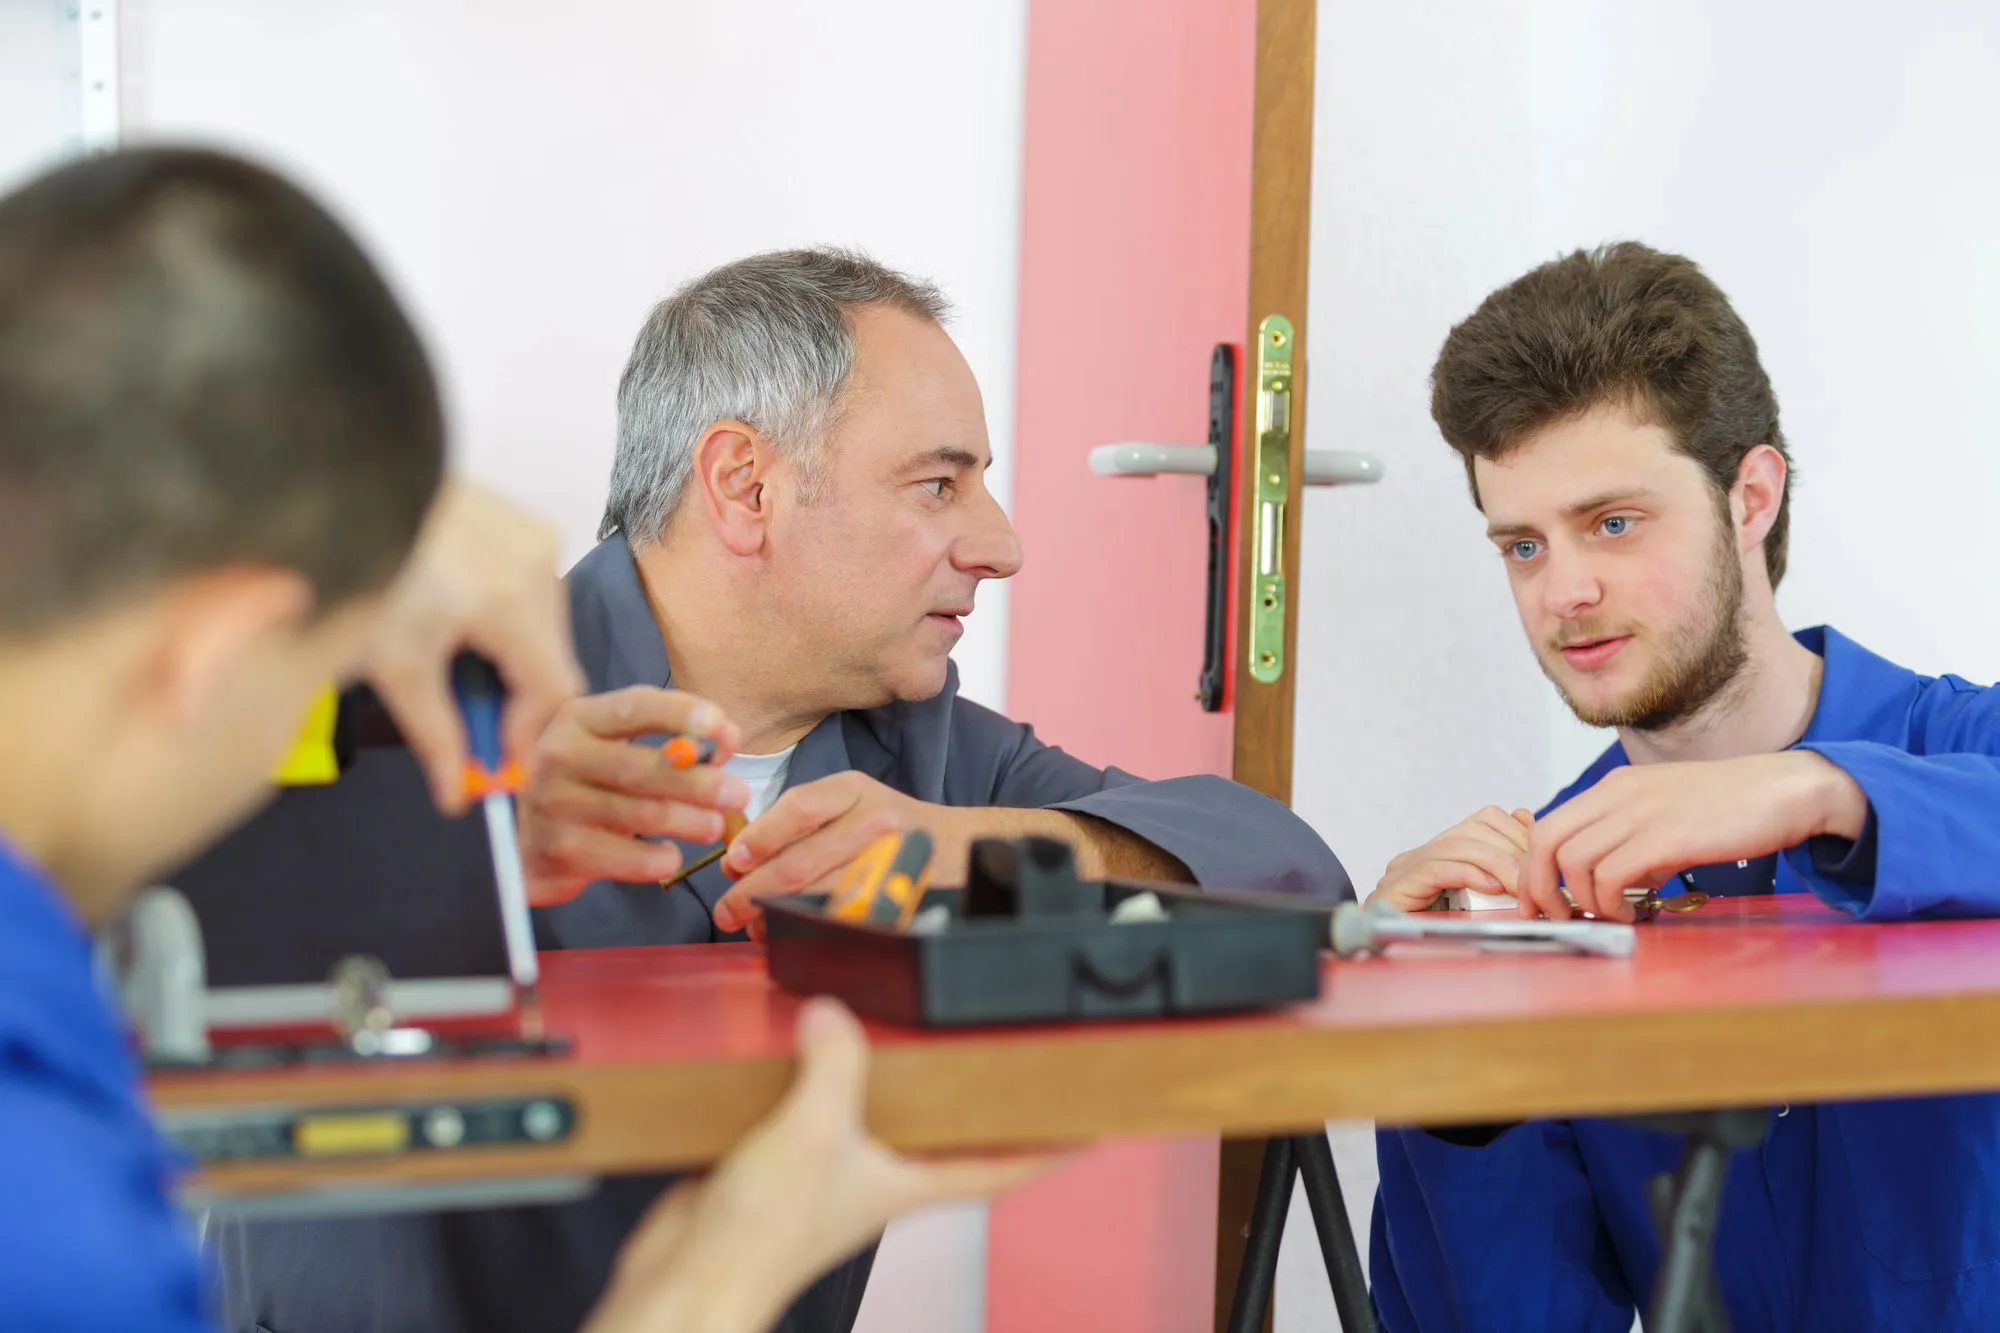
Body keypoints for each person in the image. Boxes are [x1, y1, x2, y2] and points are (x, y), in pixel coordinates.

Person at [0, 145, 1045, 1333]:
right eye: (325, 695)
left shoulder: (925, 746)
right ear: (219, 654)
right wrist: (712, 1285)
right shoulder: (59, 1235)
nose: (996, 546)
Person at [222, 248, 1352, 1333]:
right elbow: (184, 921)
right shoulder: (433, 687)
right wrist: (472, 838)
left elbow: (1285, 863)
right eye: (937, 484)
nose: (998, 545)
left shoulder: (926, 757)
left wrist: (982, 847)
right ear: (744, 485)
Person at [1368, 243, 2000, 1330]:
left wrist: (1814, 790)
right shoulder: (1549, 892)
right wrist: (1439, 1038)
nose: (1563, 591)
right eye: (1521, 545)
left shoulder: (1958, 744)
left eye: (1612, 522)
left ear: (1749, 495)